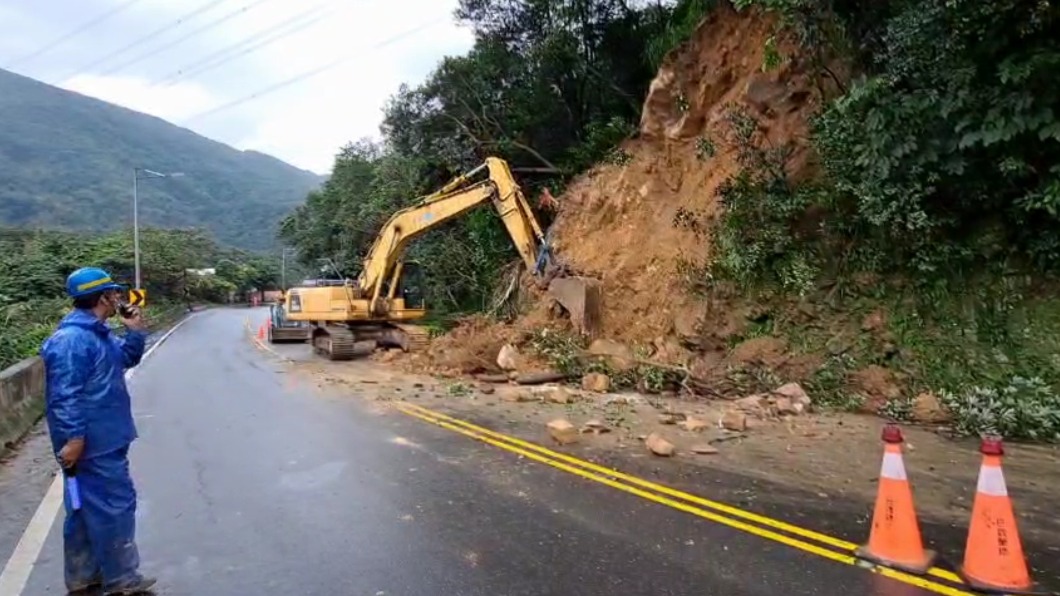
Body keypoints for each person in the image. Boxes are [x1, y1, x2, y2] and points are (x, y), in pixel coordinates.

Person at [40, 267, 157, 595]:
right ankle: (122, 580)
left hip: (100, 440)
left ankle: (83, 577)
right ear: (103, 297)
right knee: (114, 507)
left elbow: (127, 358)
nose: (119, 297)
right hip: (93, 445)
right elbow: (64, 395)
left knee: (81, 508)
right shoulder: (72, 340)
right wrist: (75, 439)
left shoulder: (98, 334)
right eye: (114, 293)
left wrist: (134, 330)